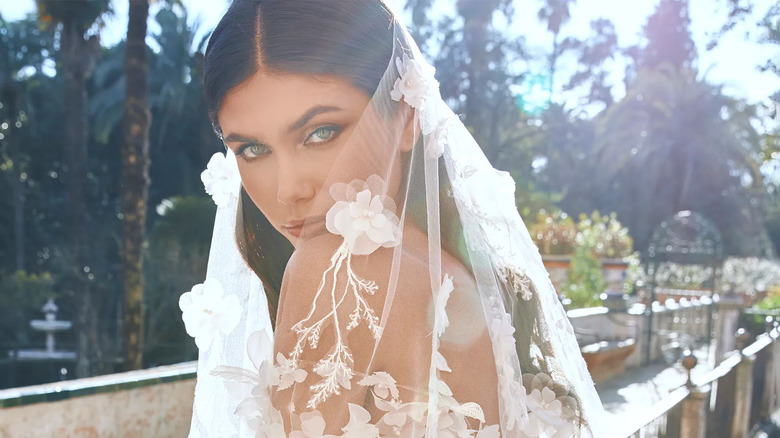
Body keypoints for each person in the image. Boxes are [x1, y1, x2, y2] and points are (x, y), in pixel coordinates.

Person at [179, 0, 606, 436]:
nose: (288, 189)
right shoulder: (463, 279)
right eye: (252, 149)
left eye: (320, 133)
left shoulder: (336, 274)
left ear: (405, 115)